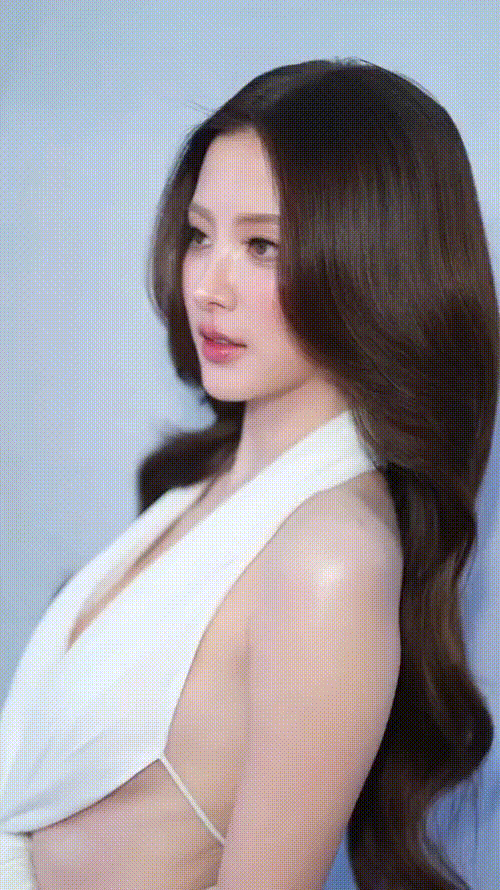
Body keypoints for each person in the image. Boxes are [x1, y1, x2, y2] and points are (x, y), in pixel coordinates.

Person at [1, 59, 498, 890]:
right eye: (200, 234)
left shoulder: (329, 557)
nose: (208, 284)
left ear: (371, 264)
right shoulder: (197, 494)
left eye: (262, 245)